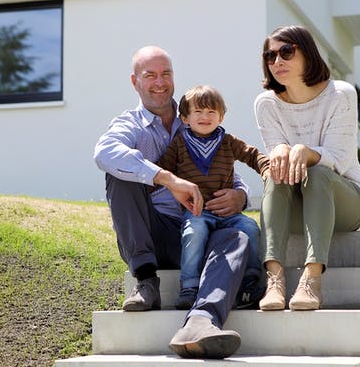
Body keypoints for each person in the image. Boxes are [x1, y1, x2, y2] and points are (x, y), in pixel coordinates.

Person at [93, 46, 251, 359]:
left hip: (200, 231)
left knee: (239, 234)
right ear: (135, 81)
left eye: (166, 73)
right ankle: (146, 281)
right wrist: (168, 178)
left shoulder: (197, 116)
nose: (160, 82)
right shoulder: (130, 124)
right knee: (120, 175)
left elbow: (229, 167)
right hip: (154, 232)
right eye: (150, 75)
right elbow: (104, 153)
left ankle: (201, 322)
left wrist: (241, 195)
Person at [253, 25, 360, 311]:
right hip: (296, 208)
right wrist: (281, 151)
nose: (277, 61)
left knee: (318, 172)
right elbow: (277, 157)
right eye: (270, 56)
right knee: (275, 171)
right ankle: (274, 280)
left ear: (307, 53)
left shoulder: (340, 94)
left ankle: (312, 279)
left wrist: (305, 152)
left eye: (286, 52)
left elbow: (341, 158)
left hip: (346, 202)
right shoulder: (266, 104)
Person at [157, 84, 269, 310]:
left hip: (229, 212)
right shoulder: (179, 144)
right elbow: (161, 170)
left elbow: (253, 155)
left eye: (211, 112)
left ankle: (250, 277)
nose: (205, 117)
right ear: (185, 118)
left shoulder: (227, 141)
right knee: (193, 232)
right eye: (198, 112)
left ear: (221, 116)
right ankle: (189, 286)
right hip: (197, 211)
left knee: (250, 227)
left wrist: (267, 169)